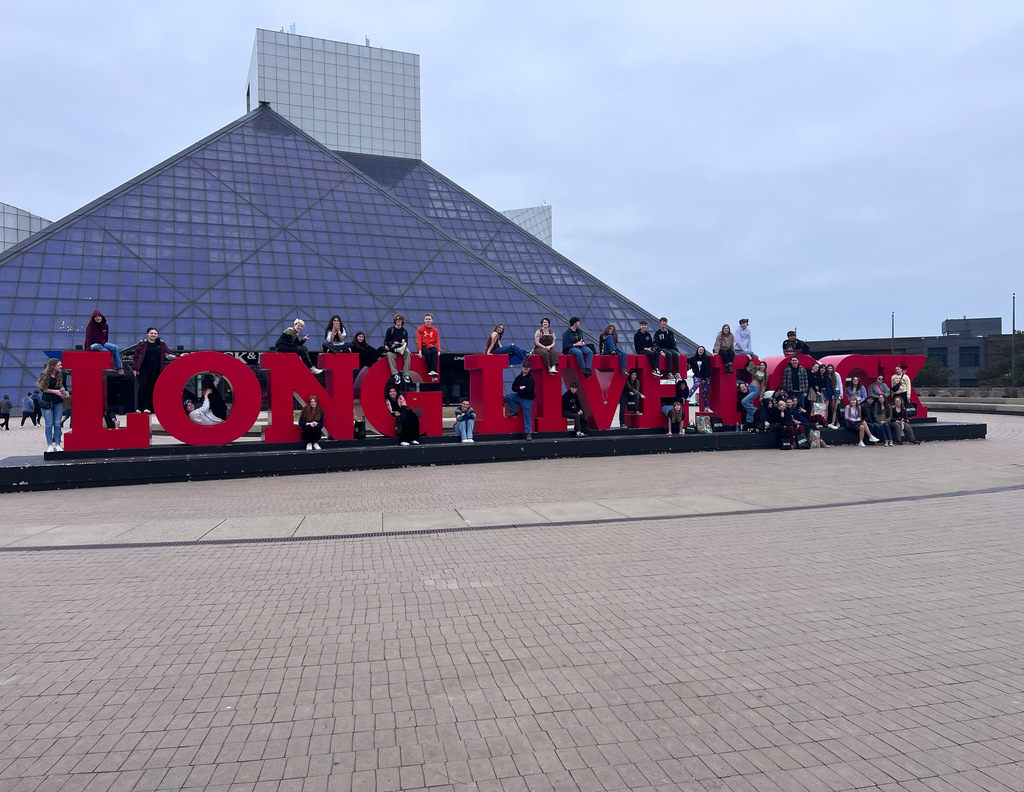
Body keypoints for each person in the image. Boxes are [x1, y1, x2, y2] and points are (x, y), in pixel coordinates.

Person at [132, 327, 179, 413]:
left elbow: (168, 353)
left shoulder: (161, 344)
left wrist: (178, 355)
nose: (153, 335)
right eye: (151, 333)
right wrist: (135, 368)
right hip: (143, 369)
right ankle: (139, 407)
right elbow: (136, 356)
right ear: (147, 334)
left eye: (155, 333)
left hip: (156, 370)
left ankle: (147, 407)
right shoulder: (142, 344)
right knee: (143, 387)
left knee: (151, 388)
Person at [37, 359, 69, 453]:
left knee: (57, 423)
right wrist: (55, 391)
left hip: (58, 402)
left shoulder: (62, 374)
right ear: (52, 366)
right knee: (49, 424)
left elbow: (64, 386)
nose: (61, 367)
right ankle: (50, 445)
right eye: (59, 365)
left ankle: (58, 444)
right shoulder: (44, 375)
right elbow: (42, 388)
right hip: (47, 402)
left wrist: (64, 394)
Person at [503, 359, 536, 440]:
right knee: (508, 396)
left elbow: (528, 390)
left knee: (527, 416)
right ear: (522, 367)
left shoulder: (531, 379)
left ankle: (528, 433)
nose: (525, 368)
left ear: (529, 368)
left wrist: (519, 389)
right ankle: (514, 411)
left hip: (527, 399)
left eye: (527, 367)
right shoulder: (518, 377)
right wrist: (521, 388)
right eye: (524, 367)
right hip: (519, 397)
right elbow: (513, 387)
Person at [84, 309, 124, 374]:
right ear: (93, 318)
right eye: (96, 317)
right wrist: (87, 350)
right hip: (94, 344)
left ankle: (119, 367)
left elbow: (106, 338)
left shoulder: (105, 326)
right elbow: (88, 338)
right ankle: (108, 353)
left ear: (102, 317)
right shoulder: (90, 326)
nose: (98, 318)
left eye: (99, 316)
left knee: (115, 347)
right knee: (94, 346)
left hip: (103, 344)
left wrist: (105, 344)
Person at [383, 314, 412, 385]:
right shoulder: (390, 330)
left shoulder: (404, 332)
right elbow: (386, 341)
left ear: (402, 321)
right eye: (397, 319)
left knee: (408, 353)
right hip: (392, 348)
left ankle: (406, 374)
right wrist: (392, 344)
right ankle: (396, 374)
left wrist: (399, 344)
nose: (398, 321)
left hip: (401, 348)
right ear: (395, 321)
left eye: (400, 319)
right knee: (389, 354)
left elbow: (406, 343)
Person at [416, 313, 441, 379]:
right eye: (426, 319)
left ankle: (433, 371)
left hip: (431, 346)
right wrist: (420, 351)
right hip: (423, 346)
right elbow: (419, 340)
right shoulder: (420, 329)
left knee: (434, 351)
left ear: (432, 320)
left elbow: (437, 340)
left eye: (429, 319)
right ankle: (430, 370)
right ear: (424, 320)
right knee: (427, 353)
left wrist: (438, 350)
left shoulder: (435, 330)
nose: (428, 320)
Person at [742, 360, 767, 424]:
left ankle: (756, 411)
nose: (761, 366)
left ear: (765, 366)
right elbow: (752, 366)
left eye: (763, 365)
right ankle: (749, 421)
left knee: (744, 401)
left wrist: (761, 395)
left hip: (756, 389)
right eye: (761, 365)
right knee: (749, 404)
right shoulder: (756, 369)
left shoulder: (766, 374)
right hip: (750, 387)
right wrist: (750, 359)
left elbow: (764, 385)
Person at [689, 346, 712, 412]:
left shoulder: (706, 359)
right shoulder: (694, 359)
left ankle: (706, 407)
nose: (700, 351)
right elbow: (686, 360)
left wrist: (704, 378)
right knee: (696, 384)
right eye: (699, 349)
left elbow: (707, 369)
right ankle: (688, 395)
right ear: (697, 350)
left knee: (704, 393)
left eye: (702, 350)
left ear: (704, 351)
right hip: (697, 376)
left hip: (706, 377)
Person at [823, 363, 843, 429]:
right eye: (828, 368)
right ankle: (833, 421)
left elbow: (840, 384)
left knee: (836, 408)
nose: (830, 369)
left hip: (837, 391)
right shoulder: (826, 375)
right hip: (830, 392)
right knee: (832, 408)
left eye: (831, 368)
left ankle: (835, 422)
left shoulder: (836, 374)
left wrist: (841, 393)